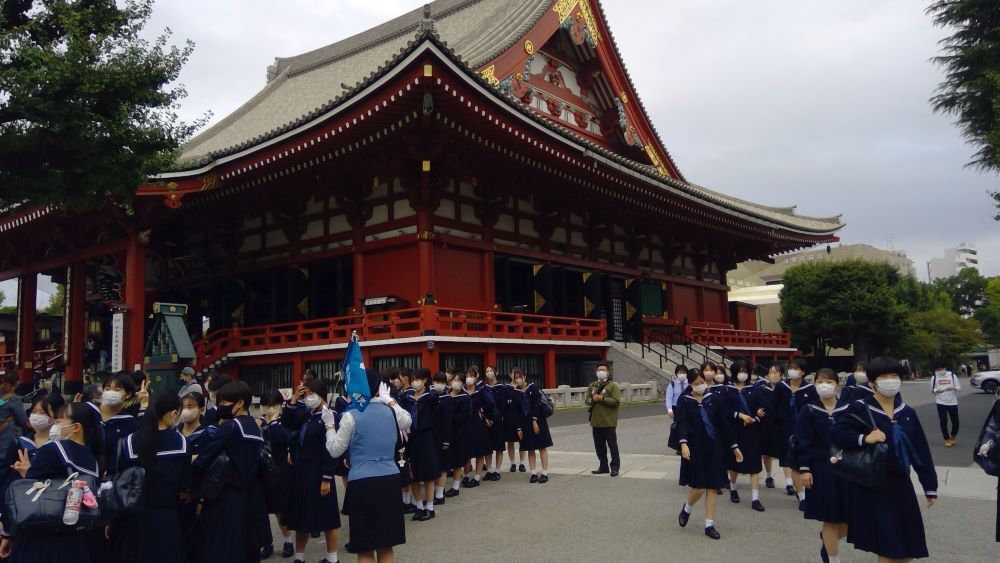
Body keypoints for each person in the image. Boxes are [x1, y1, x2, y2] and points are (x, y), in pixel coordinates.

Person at [832, 357, 937, 561]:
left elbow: (920, 449)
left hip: (901, 482)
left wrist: (929, 485)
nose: (891, 381)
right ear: (872, 383)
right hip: (873, 483)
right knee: (889, 546)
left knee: (908, 546)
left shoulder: (907, 413)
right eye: (884, 377)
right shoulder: (860, 408)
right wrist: (864, 438)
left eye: (894, 376)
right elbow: (837, 434)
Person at [325, 369, 412, 562]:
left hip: (362, 482)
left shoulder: (351, 415)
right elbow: (407, 419)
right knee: (386, 544)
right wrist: (389, 400)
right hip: (389, 479)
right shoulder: (390, 411)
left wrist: (330, 426)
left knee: (365, 547)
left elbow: (334, 450)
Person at [0, 402, 103, 562]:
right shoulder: (93, 460)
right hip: (75, 541)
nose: (55, 424)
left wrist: (8, 533)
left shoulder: (54, 449)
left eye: (60, 420)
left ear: (76, 427)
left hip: (41, 538)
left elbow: (26, 495)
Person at [192, 381, 269, 563]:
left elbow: (205, 457)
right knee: (247, 548)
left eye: (225, 403)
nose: (221, 407)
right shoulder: (253, 426)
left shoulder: (231, 427)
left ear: (240, 403)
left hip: (226, 496)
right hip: (252, 495)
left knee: (222, 549)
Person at [112, 392, 191, 563]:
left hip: (131, 519)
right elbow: (185, 483)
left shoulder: (128, 442)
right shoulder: (181, 443)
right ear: (173, 414)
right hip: (167, 518)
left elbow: (119, 481)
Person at [676, 370, 743, 540]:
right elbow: (681, 423)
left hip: (715, 447)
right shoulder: (684, 400)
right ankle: (687, 508)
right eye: (697, 382)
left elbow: (724, 424)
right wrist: (683, 443)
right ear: (690, 384)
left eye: (702, 382)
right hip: (695, 447)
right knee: (698, 487)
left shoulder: (714, 398)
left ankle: (709, 524)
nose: (700, 385)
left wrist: (734, 446)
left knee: (713, 487)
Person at [282, 378, 341, 563]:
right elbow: (287, 423)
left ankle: (332, 558)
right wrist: (293, 401)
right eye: (305, 394)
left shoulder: (330, 416)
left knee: (327, 517)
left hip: (320, 470)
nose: (307, 398)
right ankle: (299, 557)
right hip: (302, 471)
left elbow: (331, 449)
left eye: (310, 394)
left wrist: (326, 476)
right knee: (301, 516)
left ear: (320, 394)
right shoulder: (307, 415)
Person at [795, 368, 848, 563]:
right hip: (820, 468)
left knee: (850, 517)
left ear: (837, 384)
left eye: (829, 381)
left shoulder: (848, 408)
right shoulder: (809, 410)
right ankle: (832, 559)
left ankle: (827, 538)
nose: (825, 385)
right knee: (830, 516)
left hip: (847, 469)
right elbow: (803, 441)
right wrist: (805, 469)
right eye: (820, 381)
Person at [727, 360, 769, 511]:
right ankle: (732, 488)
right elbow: (723, 411)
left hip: (752, 430)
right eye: (740, 370)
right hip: (735, 430)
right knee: (734, 462)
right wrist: (739, 415)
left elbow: (763, 406)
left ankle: (755, 498)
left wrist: (757, 416)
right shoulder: (728, 389)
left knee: (754, 464)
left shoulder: (754, 389)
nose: (743, 373)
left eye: (745, 370)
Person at [259, 388, 294, 559]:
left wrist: (272, 422)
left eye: (274, 405)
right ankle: (266, 542)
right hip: (260, 469)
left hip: (280, 468)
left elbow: (282, 439)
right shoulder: (258, 422)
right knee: (262, 508)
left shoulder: (284, 421)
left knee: (280, 508)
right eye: (267, 405)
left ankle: (288, 540)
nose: (270, 408)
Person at [407, 368, 441, 521]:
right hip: (412, 438)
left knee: (428, 474)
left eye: (418, 379)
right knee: (413, 475)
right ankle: (419, 506)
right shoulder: (407, 397)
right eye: (413, 379)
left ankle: (430, 507)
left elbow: (437, 409)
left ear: (424, 380)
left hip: (426, 437)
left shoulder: (430, 396)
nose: (415, 382)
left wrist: (432, 392)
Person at [516, 369, 553, 483]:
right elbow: (516, 412)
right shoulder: (515, 392)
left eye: (520, 376)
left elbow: (537, 405)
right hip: (524, 423)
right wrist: (518, 428)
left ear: (525, 377)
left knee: (542, 447)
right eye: (515, 377)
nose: (518, 379)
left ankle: (544, 473)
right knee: (530, 448)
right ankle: (533, 473)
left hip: (538, 421)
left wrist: (534, 420)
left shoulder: (533, 388)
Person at [586, 363, 621, 476]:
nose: (601, 371)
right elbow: (587, 400)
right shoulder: (593, 385)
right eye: (599, 369)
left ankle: (615, 467)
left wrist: (602, 398)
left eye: (603, 369)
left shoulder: (613, 386)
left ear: (608, 371)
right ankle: (603, 466)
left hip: (609, 421)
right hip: (596, 421)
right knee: (599, 446)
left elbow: (616, 401)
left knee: (612, 445)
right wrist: (593, 399)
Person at [464, 367, 495, 486]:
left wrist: (481, 409)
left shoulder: (480, 391)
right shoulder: (461, 392)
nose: (469, 378)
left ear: (476, 378)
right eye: (467, 376)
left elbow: (491, 403)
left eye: (472, 376)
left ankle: (476, 478)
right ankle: (466, 475)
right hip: (465, 424)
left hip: (478, 424)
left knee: (479, 451)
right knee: (466, 452)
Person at [483, 366, 506, 481]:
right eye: (487, 371)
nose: (489, 373)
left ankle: (497, 470)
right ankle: (489, 470)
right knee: (487, 447)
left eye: (491, 371)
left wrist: (493, 419)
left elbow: (502, 407)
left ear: (496, 372)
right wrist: (486, 419)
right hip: (486, 421)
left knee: (499, 447)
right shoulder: (484, 388)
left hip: (497, 421)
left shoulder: (502, 388)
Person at [931, 359, 961, 447]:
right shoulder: (934, 378)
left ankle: (953, 436)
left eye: (942, 368)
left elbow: (959, 387)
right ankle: (947, 439)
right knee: (943, 421)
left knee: (956, 422)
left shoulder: (952, 376)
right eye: (938, 369)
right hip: (940, 402)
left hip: (952, 402)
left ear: (945, 368)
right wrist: (937, 390)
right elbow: (933, 390)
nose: (940, 371)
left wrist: (953, 388)